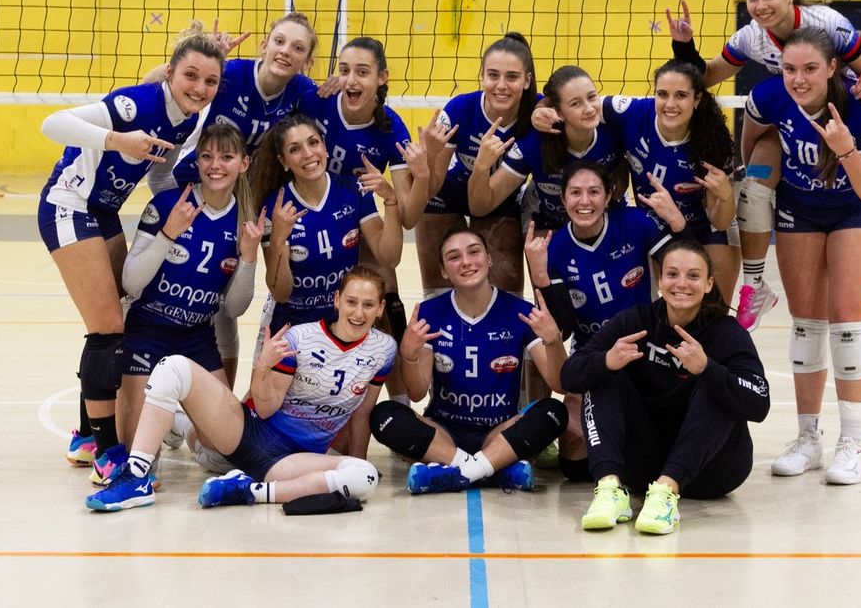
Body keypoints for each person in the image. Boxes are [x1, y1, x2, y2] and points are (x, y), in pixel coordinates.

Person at [668, 0, 861, 342]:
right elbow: (706, 76)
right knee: (754, 189)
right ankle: (755, 287)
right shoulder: (751, 37)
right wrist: (684, 47)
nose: (760, 5)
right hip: (793, 117)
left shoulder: (827, 23)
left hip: (850, 113)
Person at [38, 23, 224, 471]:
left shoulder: (187, 120)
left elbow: (158, 173)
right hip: (68, 204)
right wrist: (117, 140)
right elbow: (52, 123)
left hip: (102, 212)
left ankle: (86, 435)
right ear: (170, 74)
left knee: (121, 314)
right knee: (106, 328)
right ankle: (106, 452)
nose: (199, 88)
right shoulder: (135, 104)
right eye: (190, 76)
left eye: (210, 81)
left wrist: (189, 202)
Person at [85, 266, 393, 512]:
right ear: (337, 300)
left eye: (368, 305)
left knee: (364, 476)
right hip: (249, 435)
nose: (358, 313)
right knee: (172, 368)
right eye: (351, 302)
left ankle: (249, 491)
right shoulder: (301, 338)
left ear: (380, 308)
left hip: (290, 461)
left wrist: (358, 459)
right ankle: (136, 477)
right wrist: (263, 366)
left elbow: (362, 413)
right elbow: (266, 408)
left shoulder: (384, 349)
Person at [147, 13, 331, 387]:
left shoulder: (303, 92)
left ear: (307, 61)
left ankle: (220, 399)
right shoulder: (230, 73)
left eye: (297, 48)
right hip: (189, 187)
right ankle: (145, 377)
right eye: (279, 41)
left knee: (222, 301)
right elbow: (155, 82)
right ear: (264, 44)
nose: (286, 51)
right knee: (159, 286)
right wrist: (202, 55)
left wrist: (341, 83)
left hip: (241, 202)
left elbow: (343, 109)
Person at [745, 27, 861, 484]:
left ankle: (853, 443)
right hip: (799, 210)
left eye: (810, 69)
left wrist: (845, 149)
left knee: (846, 321)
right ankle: (808, 439)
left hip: (854, 210)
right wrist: (762, 173)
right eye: (790, 69)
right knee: (805, 323)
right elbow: (752, 141)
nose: (799, 79)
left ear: (832, 68)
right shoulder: (769, 97)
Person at [91, 124, 263, 485]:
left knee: (224, 455)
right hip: (146, 332)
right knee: (142, 462)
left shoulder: (244, 220)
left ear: (244, 163)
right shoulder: (169, 203)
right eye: (207, 156)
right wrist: (168, 233)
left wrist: (248, 258)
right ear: (196, 161)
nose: (215, 165)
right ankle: (164, 415)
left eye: (227, 157)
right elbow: (131, 283)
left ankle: (180, 422)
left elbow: (234, 309)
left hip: (196, 338)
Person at [561, 241, 769, 534]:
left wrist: (708, 369)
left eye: (693, 276)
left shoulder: (725, 332)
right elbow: (569, 376)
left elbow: (759, 404)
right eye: (672, 274)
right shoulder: (637, 321)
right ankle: (610, 489)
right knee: (601, 374)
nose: (681, 283)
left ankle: (666, 493)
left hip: (712, 471)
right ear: (659, 281)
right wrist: (606, 360)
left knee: (717, 385)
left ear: (709, 283)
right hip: (644, 466)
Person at [368, 227, 570, 494]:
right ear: (443, 271)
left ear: (489, 259)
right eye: (454, 257)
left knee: (554, 412)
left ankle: (454, 473)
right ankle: (493, 470)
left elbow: (559, 383)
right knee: (384, 415)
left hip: (499, 432)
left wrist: (553, 339)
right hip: (443, 433)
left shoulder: (520, 312)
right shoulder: (429, 313)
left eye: (474, 252)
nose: (466, 262)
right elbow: (416, 394)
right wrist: (409, 354)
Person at [523, 160, 690, 480]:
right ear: (563, 199)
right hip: (594, 357)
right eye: (575, 193)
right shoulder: (554, 248)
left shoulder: (635, 223)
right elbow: (563, 329)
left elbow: (687, 270)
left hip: (646, 352)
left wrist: (678, 224)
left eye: (593, 192)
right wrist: (540, 275)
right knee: (574, 465)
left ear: (609, 195)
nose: (584, 201)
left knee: (663, 448)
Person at [296, 36, 430, 405]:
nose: (351, 80)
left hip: (355, 211)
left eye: (362, 72)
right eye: (344, 70)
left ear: (381, 78)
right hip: (308, 212)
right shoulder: (315, 100)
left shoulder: (391, 129)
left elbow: (408, 216)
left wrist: (419, 179)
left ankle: (400, 404)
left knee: (385, 288)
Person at [534, 60, 739, 298]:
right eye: (662, 94)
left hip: (704, 226)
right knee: (667, 303)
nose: (670, 104)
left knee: (715, 306)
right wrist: (539, 109)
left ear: (697, 99)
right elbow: (574, 100)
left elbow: (720, 221)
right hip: (654, 227)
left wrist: (725, 194)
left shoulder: (711, 142)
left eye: (681, 95)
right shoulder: (631, 113)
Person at [251, 112, 403, 345]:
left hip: (341, 327)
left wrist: (390, 200)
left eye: (313, 142)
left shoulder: (353, 191)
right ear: (284, 161)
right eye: (295, 149)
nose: (308, 154)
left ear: (325, 146)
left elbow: (389, 258)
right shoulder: (276, 206)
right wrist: (279, 239)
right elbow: (281, 293)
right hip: (291, 329)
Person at [414, 32, 538, 298]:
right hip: (449, 192)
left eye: (512, 77)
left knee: (504, 295)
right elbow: (429, 189)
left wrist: (481, 167)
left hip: (498, 199)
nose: (501, 85)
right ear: (482, 76)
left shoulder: (537, 115)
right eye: (493, 75)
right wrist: (430, 158)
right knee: (439, 292)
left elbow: (481, 206)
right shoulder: (459, 108)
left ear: (527, 80)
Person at [467, 65, 625, 232]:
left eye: (592, 97)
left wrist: (623, 168)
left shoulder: (614, 129)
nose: (589, 109)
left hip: (602, 216)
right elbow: (480, 207)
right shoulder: (534, 144)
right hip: (546, 219)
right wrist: (481, 166)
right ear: (559, 112)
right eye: (575, 103)